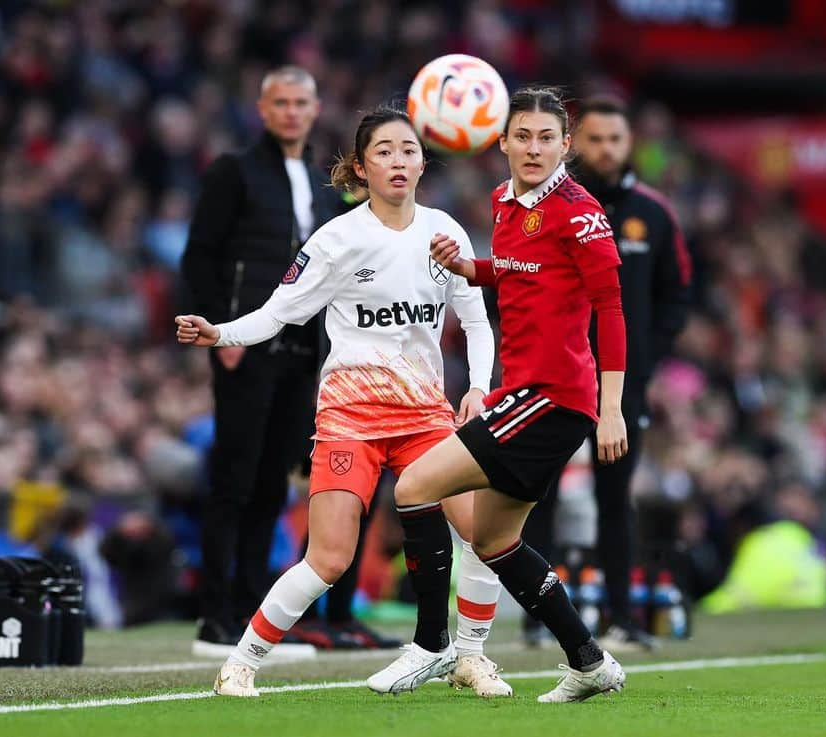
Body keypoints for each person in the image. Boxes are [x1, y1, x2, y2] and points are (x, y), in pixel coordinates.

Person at [176, 107, 513, 699]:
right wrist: (220, 332)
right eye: (384, 151)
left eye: (408, 150)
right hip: (350, 418)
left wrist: (478, 387)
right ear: (361, 166)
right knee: (329, 558)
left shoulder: (446, 233)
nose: (399, 161)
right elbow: (278, 313)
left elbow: (477, 322)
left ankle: (470, 656)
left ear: (422, 161)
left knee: (483, 531)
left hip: (425, 418)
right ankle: (242, 662)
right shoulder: (336, 239)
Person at [368, 87, 628, 703]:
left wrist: (611, 407)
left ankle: (431, 645)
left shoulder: (579, 209)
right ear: (502, 141)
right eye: (523, 137)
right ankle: (590, 662)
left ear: (566, 145)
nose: (533, 148)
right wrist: (469, 268)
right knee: (492, 541)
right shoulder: (506, 201)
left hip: (552, 395)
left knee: (413, 487)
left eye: (546, 138)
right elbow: (520, 269)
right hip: (530, 394)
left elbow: (610, 308)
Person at [179, 66, 341, 655]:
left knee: (274, 483)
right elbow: (200, 256)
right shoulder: (235, 171)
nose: (292, 111)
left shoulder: (325, 182)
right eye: (281, 102)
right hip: (245, 345)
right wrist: (220, 333)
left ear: (316, 107)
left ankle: (252, 618)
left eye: (301, 101)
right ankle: (214, 618)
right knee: (234, 480)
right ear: (263, 107)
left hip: (304, 349)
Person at [522, 95, 691, 647]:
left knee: (615, 499)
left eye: (615, 139)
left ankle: (621, 617)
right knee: (537, 492)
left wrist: (644, 358)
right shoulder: (544, 207)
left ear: (629, 143)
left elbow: (677, 295)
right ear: (576, 144)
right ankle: (537, 618)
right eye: (595, 139)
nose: (606, 149)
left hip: (622, 385)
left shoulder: (654, 215)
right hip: (554, 377)